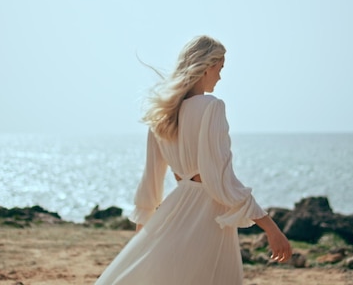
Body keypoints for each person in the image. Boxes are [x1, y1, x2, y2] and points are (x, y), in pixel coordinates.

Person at [94, 35, 292, 284]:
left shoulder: (161, 115)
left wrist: (140, 244)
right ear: (207, 67)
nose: (219, 77)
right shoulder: (212, 107)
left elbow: (149, 186)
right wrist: (271, 229)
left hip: (174, 212)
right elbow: (222, 181)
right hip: (207, 217)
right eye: (220, 69)